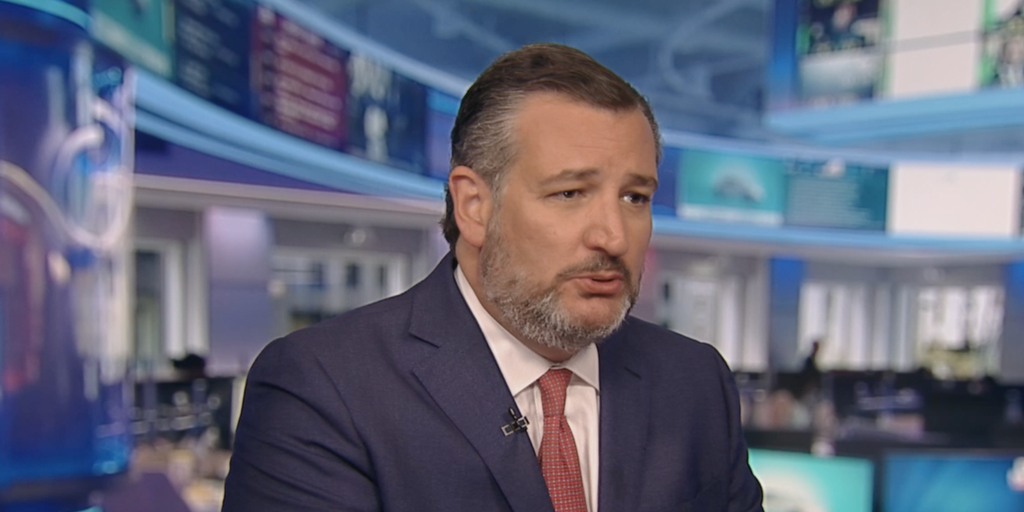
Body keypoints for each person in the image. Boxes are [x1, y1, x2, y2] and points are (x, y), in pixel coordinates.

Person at [222, 44, 763, 512]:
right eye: (570, 193)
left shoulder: (695, 384)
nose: (614, 237)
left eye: (634, 198)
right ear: (475, 206)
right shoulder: (323, 387)